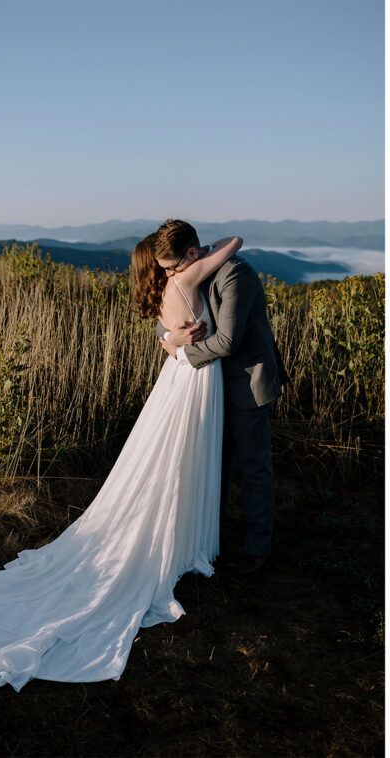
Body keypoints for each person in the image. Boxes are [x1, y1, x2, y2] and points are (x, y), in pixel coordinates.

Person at [0, 232, 243, 691]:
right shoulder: (187, 275)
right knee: (183, 456)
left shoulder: (163, 292)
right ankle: (182, 540)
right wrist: (194, 255)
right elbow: (235, 240)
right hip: (196, 379)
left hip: (177, 375)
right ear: (178, 257)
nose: (175, 267)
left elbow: (177, 310)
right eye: (171, 262)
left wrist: (169, 333)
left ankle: (174, 531)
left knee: (168, 459)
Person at [156, 219, 288, 575]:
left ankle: (257, 551)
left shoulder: (235, 275)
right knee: (214, 464)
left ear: (192, 254)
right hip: (210, 388)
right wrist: (170, 336)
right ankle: (208, 540)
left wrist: (182, 355)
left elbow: (228, 340)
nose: (169, 276)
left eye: (172, 268)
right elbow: (169, 310)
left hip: (247, 383)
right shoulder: (188, 273)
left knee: (253, 468)